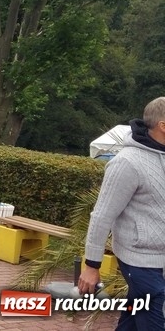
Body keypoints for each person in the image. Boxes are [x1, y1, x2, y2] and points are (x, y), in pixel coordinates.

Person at [78, 97, 165, 329]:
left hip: (160, 260)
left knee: (133, 322)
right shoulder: (126, 162)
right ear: (162, 125)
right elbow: (101, 215)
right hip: (138, 259)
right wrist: (91, 266)